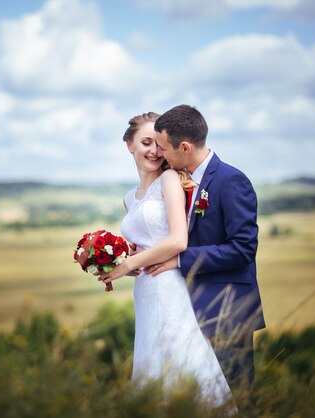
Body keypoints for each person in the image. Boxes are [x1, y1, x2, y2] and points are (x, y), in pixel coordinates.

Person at [99, 112, 233, 409]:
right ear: (129, 145)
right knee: (152, 365)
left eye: (158, 144)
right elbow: (146, 246)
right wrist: (117, 258)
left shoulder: (169, 180)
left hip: (170, 289)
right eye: (146, 142)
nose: (154, 151)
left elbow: (177, 240)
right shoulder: (130, 198)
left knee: (181, 362)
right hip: (145, 291)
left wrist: (129, 265)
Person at [146, 104, 266, 400]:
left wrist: (178, 260)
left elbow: (243, 249)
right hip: (185, 310)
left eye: (163, 147)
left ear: (184, 147)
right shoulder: (178, 180)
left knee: (235, 398)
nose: (160, 154)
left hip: (226, 311)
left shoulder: (231, 181)